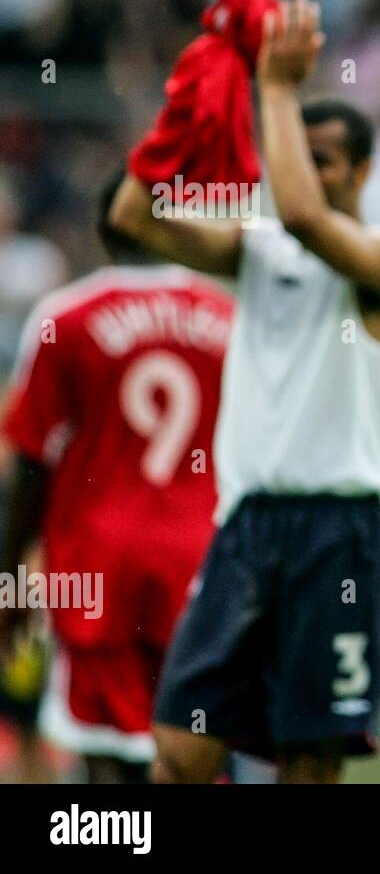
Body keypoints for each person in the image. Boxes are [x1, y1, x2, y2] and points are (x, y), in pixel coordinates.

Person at [108, 0, 380, 784]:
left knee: (309, 763)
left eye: (325, 160)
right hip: (246, 525)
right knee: (181, 752)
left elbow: (303, 214)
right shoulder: (263, 252)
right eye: (301, 153)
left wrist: (276, 90)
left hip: (338, 531)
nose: (308, 172)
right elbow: (130, 220)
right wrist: (189, 109)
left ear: (362, 172)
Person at [0, 170, 234, 783]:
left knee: (105, 751)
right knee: (197, 747)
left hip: (98, 563)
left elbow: (31, 458)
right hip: (202, 562)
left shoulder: (65, 316)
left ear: (103, 231)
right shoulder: (228, 317)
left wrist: (9, 577)